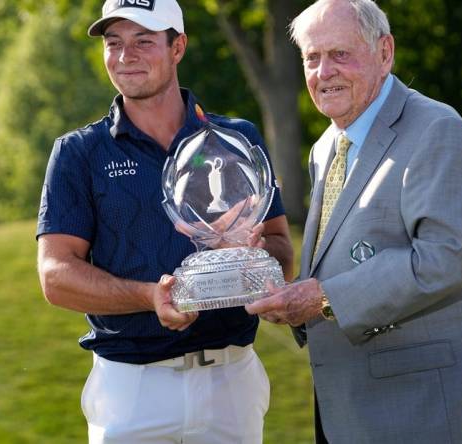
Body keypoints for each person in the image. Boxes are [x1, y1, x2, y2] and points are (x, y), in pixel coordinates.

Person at [245, 1, 462, 443]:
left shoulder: (437, 129)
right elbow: (338, 260)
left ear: (385, 52)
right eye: (312, 58)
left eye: (340, 54)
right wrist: (285, 291)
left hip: (426, 409)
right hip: (351, 408)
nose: (324, 72)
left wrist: (322, 299)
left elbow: (443, 260)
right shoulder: (326, 147)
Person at [36, 0, 294, 442]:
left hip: (231, 381)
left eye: (143, 41)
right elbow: (55, 276)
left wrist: (251, 257)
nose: (125, 56)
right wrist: (150, 296)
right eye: (114, 43)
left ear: (179, 47)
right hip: (131, 388)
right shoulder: (79, 153)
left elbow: (281, 252)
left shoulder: (237, 140)